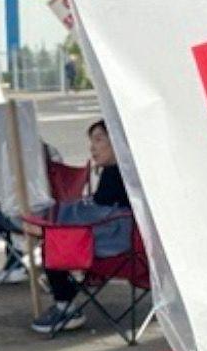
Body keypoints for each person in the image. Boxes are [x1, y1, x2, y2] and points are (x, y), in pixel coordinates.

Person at [29, 119, 132, 336]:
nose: (92, 147)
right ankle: (65, 297)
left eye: (99, 139)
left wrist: (56, 223)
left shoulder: (115, 176)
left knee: (53, 244)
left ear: (117, 141)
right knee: (53, 234)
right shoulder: (125, 173)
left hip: (116, 245)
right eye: (91, 141)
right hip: (128, 244)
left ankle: (66, 306)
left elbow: (99, 215)